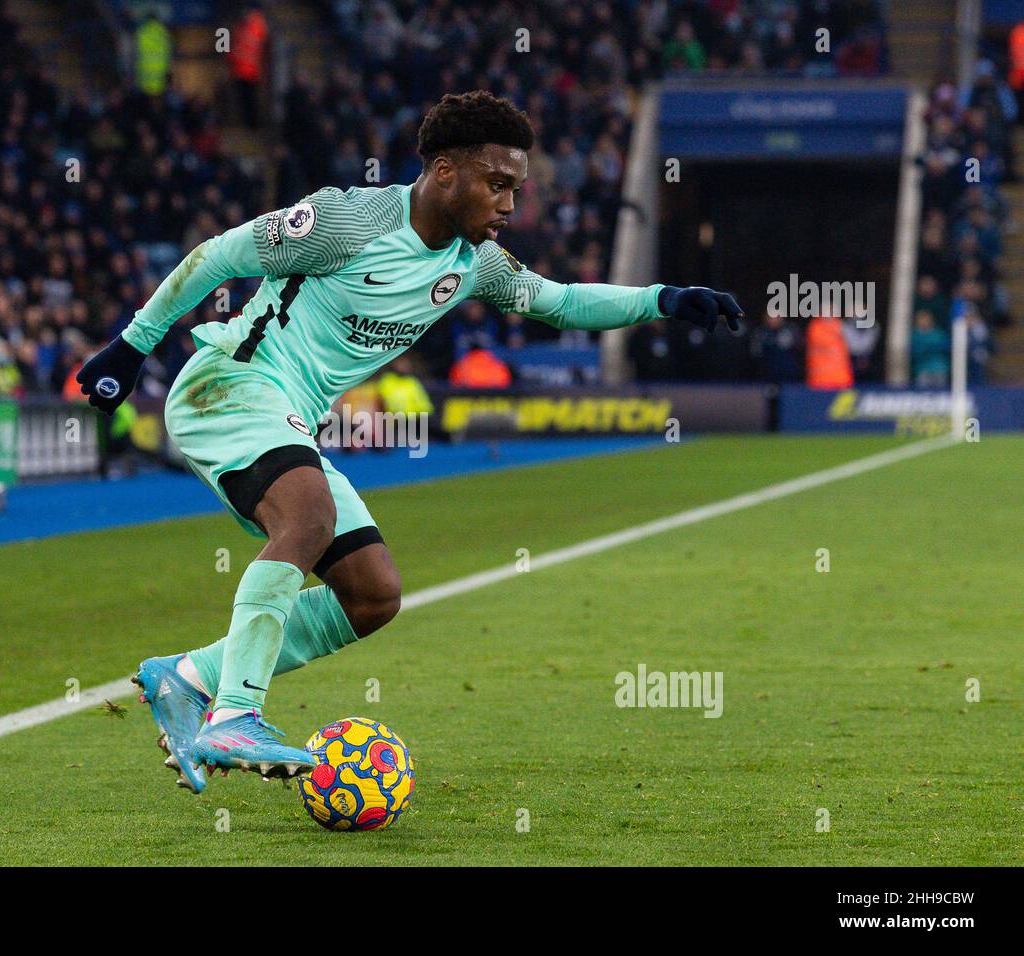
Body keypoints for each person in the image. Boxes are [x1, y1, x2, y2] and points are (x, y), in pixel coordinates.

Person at [74, 91, 743, 793]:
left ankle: (187, 677)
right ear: (445, 171)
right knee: (307, 519)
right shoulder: (345, 219)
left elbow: (562, 301)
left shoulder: (474, 264)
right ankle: (236, 710)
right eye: (498, 183)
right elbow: (218, 255)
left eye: (517, 187)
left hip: (289, 417)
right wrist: (132, 347)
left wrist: (664, 297)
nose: (510, 204)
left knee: (372, 595)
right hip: (230, 386)